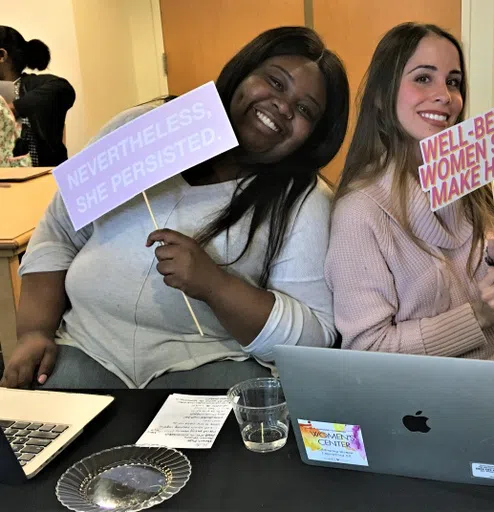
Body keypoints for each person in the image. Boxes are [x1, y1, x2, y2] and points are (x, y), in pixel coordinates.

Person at [0, 26, 350, 389]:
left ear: (315, 135)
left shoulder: (303, 200)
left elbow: (314, 337)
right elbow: (57, 231)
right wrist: (34, 332)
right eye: (275, 82)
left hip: (209, 366)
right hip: (85, 348)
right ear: (243, 72)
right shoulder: (147, 128)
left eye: (305, 109)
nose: (283, 105)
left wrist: (216, 286)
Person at [325, 22, 494, 364]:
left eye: (453, 81)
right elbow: (369, 350)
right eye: (423, 78)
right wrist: (478, 316)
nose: (445, 95)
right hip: (433, 405)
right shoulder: (360, 212)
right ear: (383, 96)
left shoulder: (472, 179)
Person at [0, 26, 75, 167]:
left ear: (1, 56)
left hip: (43, 179)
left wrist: (13, 109)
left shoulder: (38, 85)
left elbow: (64, 89)